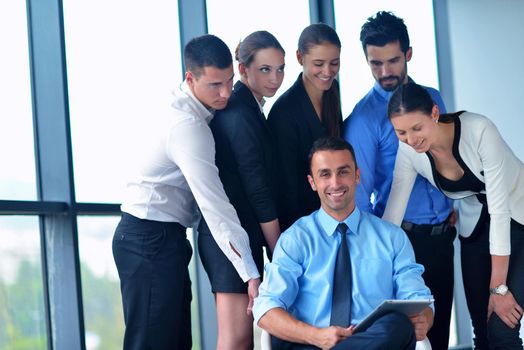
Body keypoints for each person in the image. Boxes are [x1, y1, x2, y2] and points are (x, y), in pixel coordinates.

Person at [112, 34, 261, 350]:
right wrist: (250, 272)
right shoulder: (187, 127)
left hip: (164, 238)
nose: (225, 93)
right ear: (190, 78)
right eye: (214, 85)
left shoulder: (195, 111)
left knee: (177, 342)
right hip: (147, 240)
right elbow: (215, 207)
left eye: (229, 82)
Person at [254, 136, 434, 350]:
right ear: (313, 183)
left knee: (398, 326)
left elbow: (418, 300)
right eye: (325, 174)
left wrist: (424, 319)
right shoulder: (296, 238)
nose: (335, 183)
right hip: (311, 343)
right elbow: (266, 309)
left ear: (357, 175)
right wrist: (317, 336)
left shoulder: (392, 237)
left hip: (373, 342)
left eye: (343, 171)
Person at [341, 11, 454, 349]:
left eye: (392, 60)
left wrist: (454, 201)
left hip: (442, 238)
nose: (385, 72)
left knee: (439, 336)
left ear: (408, 54)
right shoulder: (363, 119)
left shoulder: (433, 98)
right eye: (375, 63)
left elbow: (448, 154)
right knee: (406, 339)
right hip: (399, 240)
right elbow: (359, 197)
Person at [383, 82, 524, 349]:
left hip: (518, 217)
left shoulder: (480, 130)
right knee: (481, 330)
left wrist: (499, 289)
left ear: (434, 113)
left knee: (502, 327)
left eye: (417, 128)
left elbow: (500, 210)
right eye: (401, 132)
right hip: (475, 228)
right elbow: (393, 213)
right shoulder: (409, 152)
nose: (411, 140)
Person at [198, 30, 285, 350]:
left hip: (242, 235)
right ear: (243, 69)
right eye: (265, 69)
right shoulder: (239, 112)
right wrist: (279, 250)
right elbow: (257, 187)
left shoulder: (250, 108)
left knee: (243, 340)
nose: (275, 78)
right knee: (235, 341)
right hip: (228, 239)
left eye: (280, 68)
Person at [268, 23, 343, 232]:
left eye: (334, 63)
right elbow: (285, 188)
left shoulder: (332, 91)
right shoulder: (283, 112)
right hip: (300, 224)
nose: (327, 72)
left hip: (332, 215)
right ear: (300, 58)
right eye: (318, 63)